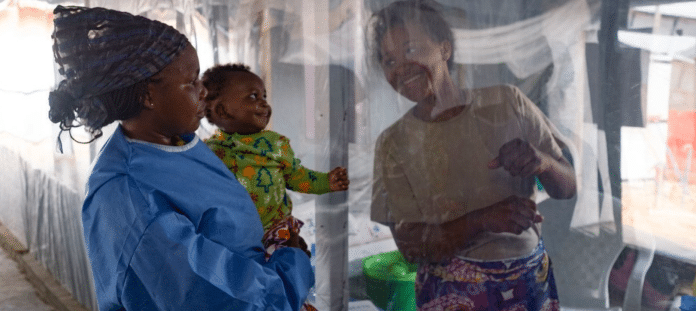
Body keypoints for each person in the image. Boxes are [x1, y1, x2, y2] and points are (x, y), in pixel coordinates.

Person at [48, 6, 313, 310]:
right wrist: (292, 265)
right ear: (147, 96)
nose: (203, 92)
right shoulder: (130, 195)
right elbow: (222, 300)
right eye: (191, 82)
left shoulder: (178, 143)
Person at [368, 1, 577, 310]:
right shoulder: (394, 143)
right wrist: (483, 220)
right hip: (449, 293)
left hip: (528, 285)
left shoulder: (507, 103)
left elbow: (567, 187)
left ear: (444, 49)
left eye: (411, 50)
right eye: (388, 60)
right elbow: (410, 247)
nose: (400, 68)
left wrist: (542, 161)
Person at [202, 64, 350, 258]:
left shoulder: (275, 144)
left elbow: (297, 176)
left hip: (275, 231)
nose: (264, 103)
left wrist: (325, 181)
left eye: (264, 96)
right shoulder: (208, 150)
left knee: (279, 277)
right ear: (222, 111)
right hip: (232, 238)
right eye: (253, 97)